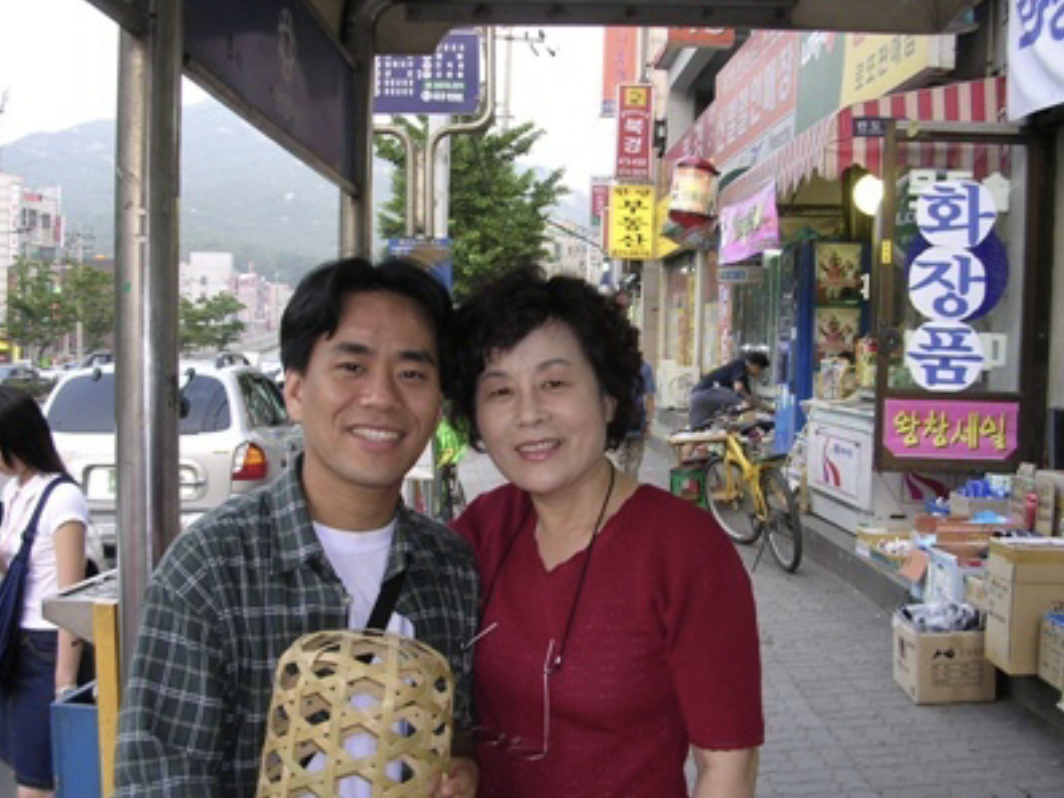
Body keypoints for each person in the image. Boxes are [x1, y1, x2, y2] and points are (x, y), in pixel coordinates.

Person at [115, 258, 480, 798]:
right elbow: (160, 781)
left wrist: (465, 770)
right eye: (352, 367)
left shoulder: (451, 568)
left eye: (411, 374)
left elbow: (459, 730)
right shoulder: (212, 569)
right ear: (295, 391)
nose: (382, 396)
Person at [450, 266, 763, 798]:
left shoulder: (685, 552)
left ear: (608, 397)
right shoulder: (480, 531)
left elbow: (727, 765)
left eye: (554, 384)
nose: (528, 414)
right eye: (500, 391)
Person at [0, 386, 90, 798]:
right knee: (29, 774)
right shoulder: (15, 490)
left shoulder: (62, 498)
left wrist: (64, 684)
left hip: (45, 648)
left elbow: (69, 595)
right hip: (15, 643)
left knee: (35, 785)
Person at [688, 351, 770, 430]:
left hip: (699, 397)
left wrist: (770, 409)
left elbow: (753, 398)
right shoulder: (740, 365)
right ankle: (743, 426)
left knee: (701, 428)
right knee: (742, 403)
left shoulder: (743, 376)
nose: (759, 373)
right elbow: (738, 388)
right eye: (760, 370)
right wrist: (748, 401)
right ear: (755, 365)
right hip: (705, 394)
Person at [608, 349, 655, 476]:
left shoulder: (613, 367)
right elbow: (649, 397)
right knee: (634, 464)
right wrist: (649, 422)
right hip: (638, 422)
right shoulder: (645, 367)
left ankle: (618, 486)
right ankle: (629, 486)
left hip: (617, 421)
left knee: (617, 462)